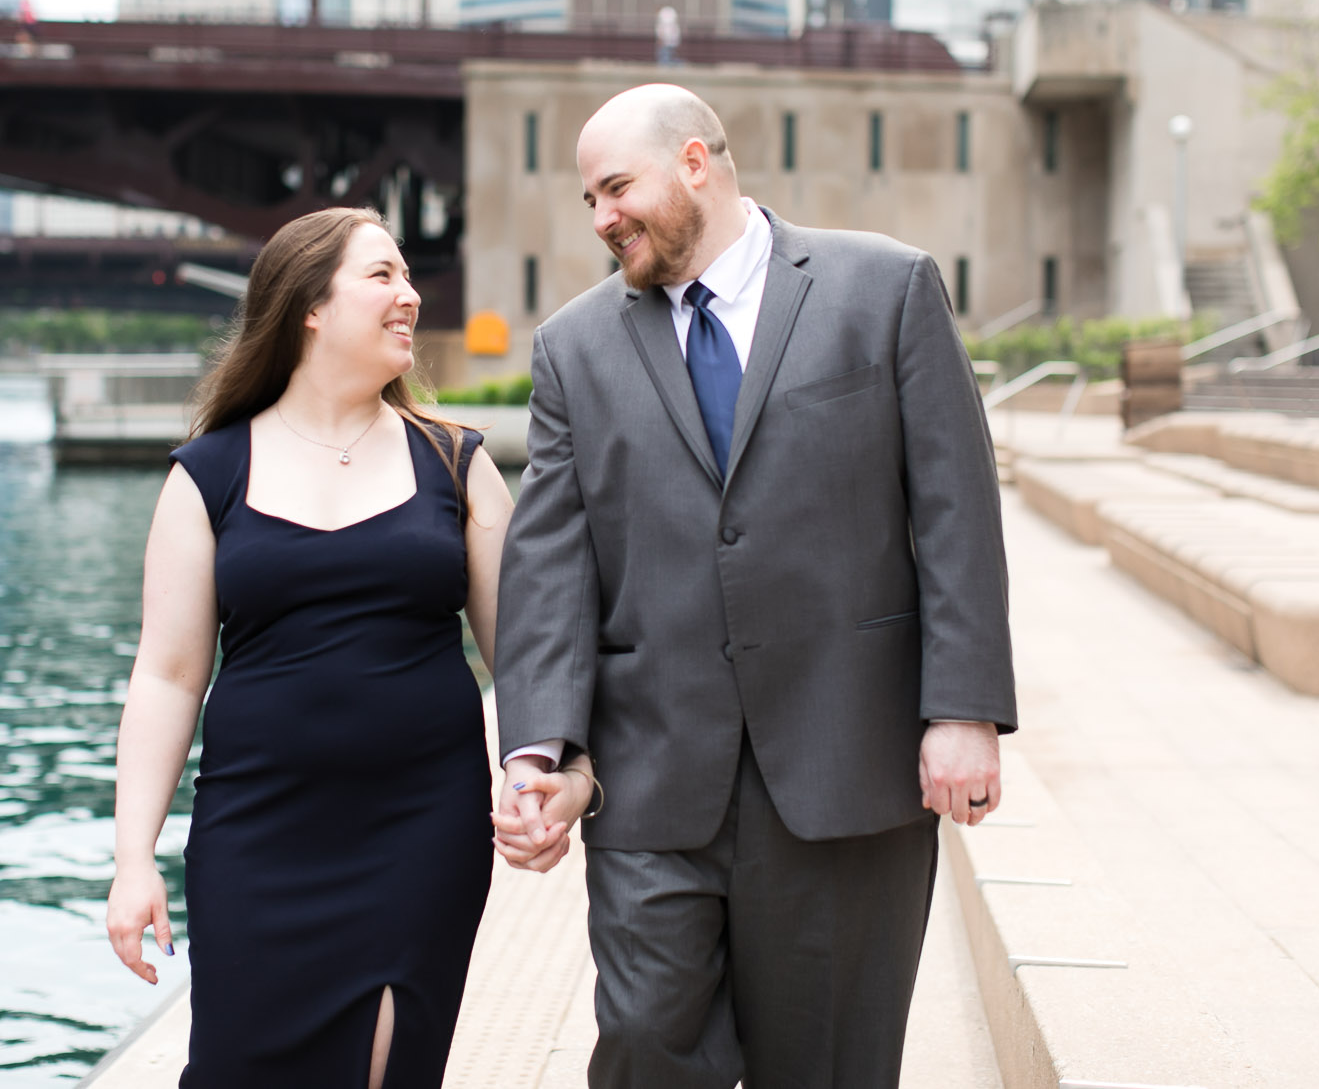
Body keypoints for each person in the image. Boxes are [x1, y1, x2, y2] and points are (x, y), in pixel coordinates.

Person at [491, 85, 1018, 1089]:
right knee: (644, 1042)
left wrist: (962, 709)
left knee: (825, 1067)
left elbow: (954, 507)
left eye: (615, 188)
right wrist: (538, 748)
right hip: (651, 778)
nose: (601, 218)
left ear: (694, 162)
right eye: (587, 201)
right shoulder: (572, 346)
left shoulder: (886, 287)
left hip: (844, 764)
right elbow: (550, 565)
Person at [104, 207, 573, 1088]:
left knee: (388, 1066)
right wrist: (135, 859)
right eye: (383, 276)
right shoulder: (208, 472)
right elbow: (166, 678)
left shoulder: (455, 460)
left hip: (421, 829)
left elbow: (525, 653)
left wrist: (532, 773)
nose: (411, 294)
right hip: (258, 832)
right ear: (309, 307)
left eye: (406, 275)